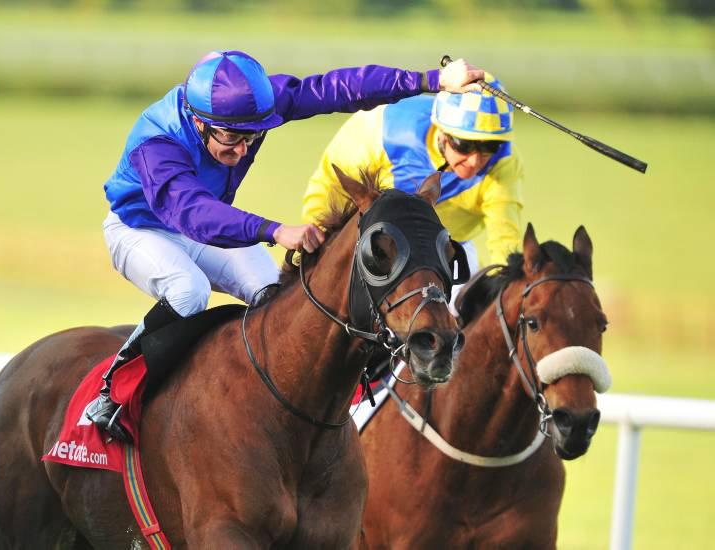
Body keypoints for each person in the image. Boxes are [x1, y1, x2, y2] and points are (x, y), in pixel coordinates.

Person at [86, 50, 488, 443]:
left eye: (251, 137)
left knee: (273, 295)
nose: (242, 150)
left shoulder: (251, 105)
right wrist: (274, 230)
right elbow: (192, 213)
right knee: (188, 291)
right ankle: (112, 391)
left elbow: (338, 88)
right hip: (139, 230)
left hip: (202, 229)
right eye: (231, 138)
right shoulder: (157, 144)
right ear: (198, 122)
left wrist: (432, 81)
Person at [302, 72, 524, 310]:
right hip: (375, 246)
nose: (474, 161)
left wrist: (507, 295)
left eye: (490, 146)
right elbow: (329, 184)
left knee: (463, 316)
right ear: (442, 132)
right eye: (465, 145)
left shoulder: (503, 164)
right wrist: (314, 244)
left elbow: (504, 243)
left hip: (446, 248)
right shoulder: (382, 128)